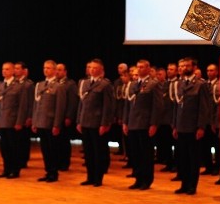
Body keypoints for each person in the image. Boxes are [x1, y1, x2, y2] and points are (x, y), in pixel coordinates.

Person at [171, 57, 211, 195]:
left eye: (186, 66)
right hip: (181, 126)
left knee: (193, 159)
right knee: (182, 158)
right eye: (181, 66)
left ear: (194, 67)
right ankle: (183, 184)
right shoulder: (179, 84)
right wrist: (175, 125)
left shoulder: (200, 84)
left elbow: (204, 108)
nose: (183, 68)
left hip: (193, 127)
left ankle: (192, 186)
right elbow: (177, 106)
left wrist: (201, 127)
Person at [122, 59, 163, 190]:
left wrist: (153, 124)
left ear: (148, 68)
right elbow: (127, 105)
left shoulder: (153, 84)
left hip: (145, 124)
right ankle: (138, 179)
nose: (139, 69)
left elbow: (157, 106)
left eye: (142, 67)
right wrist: (125, 121)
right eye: (137, 67)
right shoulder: (133, 84)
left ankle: (147, 180)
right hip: (133, 123)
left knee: (146, 154)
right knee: (135, 154)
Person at [77, 58, 114, 187]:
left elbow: (107, 106)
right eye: (90, 67)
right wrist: (79, 120)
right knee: (88, 152)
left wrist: (104, 123)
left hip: (97, 123)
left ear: (101, 70)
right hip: (85, 122)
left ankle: (98, 178)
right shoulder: (85, 83)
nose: (92, 70)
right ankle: (90, 177)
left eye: (95, 68)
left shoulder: (105, 84)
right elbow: (81, 104)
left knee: (98, 152)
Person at [32, 60, 66, 183]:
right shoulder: (40, 85)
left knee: (53, 149)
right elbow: (36, 105)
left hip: (51, 123)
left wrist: (57, 124)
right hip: (41, 121)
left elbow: (60, 108)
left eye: (49, 68)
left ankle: (54, 173)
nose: (46, 70)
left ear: (55, 70)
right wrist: (35, 121)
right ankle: (48, 171)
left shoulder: (59, 86)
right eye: (44, 67)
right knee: (45, 149)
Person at [0, 62, 27, 179]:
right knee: (4, 148)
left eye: (7, 69)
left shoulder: (19, 86)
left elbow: (22, 106)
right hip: (3, 121)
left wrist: (19, 122)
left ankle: (15, 170)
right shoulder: (0, 85)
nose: (4, 71)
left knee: (14, 148)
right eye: (3, 69)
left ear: (13, 71)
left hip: (13, 121)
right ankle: (6, 169)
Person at [56, 63, 79, 171]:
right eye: (56, 69)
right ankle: (57, 161)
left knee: (64, 141)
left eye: (60, 70)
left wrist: (69, 116)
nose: (57, 72)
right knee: (56, 141)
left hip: (64, 117)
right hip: (55, 117)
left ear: (65, 72)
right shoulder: (54, 83)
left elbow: (73, 102)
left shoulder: (70, 84)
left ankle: (64, 163)